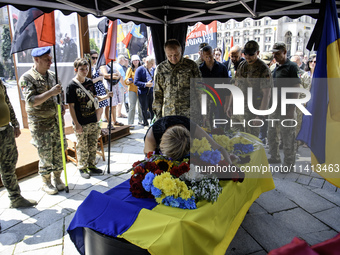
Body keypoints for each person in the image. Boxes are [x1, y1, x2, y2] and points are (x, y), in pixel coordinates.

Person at [20, 46, 66, 195]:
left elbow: (60, 92)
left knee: (59, 152)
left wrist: (62, 103)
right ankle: (46, 182)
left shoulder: (52, 75)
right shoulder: (27, 78)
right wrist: (51, 92)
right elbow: (32, 101)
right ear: (36, 60)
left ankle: (58, 178)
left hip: (56, 121)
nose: (50, 62)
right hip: (41, 125)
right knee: (45, 154)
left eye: (51, 59)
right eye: (47, 60)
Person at [66, 58, 113, 179]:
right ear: (76, 70)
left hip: (92, 119)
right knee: (82, 146)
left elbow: (95, 98)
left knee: (92, 144)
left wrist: (106, 96)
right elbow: (71, 106)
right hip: (80, 121)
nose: (85, 71)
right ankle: (82, 167)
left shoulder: (89, 82)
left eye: (86, 69)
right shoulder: (71, 86)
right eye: (82, 69)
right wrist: (76, 124)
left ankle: (91, 165)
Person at [0, 80, 37, 208]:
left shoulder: (0, 83)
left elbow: (7, 103)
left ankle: (15, 198)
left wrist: (15, 123)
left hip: (6, 131)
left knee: (9, 165)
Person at [227, 40, 272, 137]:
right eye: (245, 53)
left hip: (252, 113)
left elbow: (266, 95)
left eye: (251, 54)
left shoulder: (263, 69)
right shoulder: (242, 65)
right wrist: (230, 105)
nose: (247, 56)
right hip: (237, 110)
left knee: (250, 143)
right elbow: (236, 85)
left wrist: (260, 116)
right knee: (234, 140)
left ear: (258, 53)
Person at [144, 116, 232, 165]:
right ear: (161, 144)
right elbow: (149, 163)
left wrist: (230, 165)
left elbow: (218, 147)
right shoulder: (151, 137)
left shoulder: (192, 127)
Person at [267, 42, 301, 167]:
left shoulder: (292, 66)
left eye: (278, 53)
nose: (275, 56)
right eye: (274, 54)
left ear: (285, 52)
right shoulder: (274, 67)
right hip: (274, 107)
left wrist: (291, 109)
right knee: (271, 133)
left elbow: (296, 88)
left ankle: (288, 163)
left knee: (287, 136)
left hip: (287, 107)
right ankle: (274, 156)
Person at [153, 39, 202, 121]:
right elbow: (158, 94)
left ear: (181, 50)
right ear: (165, 53)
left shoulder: (191, 66)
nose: (173, 58)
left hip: (190, 114)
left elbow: (200, 89)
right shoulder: (161, 69)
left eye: (176, 55)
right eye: (169, 56)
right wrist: (158, 116)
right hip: (169, 114)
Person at [199, 45, 229, 124]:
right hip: (205, 100)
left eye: (210, 56)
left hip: (219, 99)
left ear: (213, 54)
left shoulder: (222, 68)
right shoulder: (199, 70)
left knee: (220, 123)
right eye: (206, 56)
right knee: (206, 124)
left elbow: (227, 86)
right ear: (202, 56)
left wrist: (227, 103)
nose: (208, 59)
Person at [101, 61, 124, 129]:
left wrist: (115, 76)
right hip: (108, 86)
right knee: (108, 105)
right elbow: (105, 75)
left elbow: (119, 74)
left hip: (114, 86)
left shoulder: (112, 64)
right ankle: (109, 123)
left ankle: (115, 120)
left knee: (114, 105)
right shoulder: (103, 65)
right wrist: (115, 76)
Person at [134, 56, 155, 128]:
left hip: (152, 92)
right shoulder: (140, 69)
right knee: (144, 108)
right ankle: (145, 122)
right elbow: (136, 82)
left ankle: (153, 123)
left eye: (153, 63)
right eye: (151, 63)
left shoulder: (153, 70)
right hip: (143, 92)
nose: (152, 65)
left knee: (152, 108)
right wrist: (146, 84)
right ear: (147, 62)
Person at [124, 54, 143, 129]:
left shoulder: (142, 69)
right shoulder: (129, 69)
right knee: (132, 106)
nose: (136, 62)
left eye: (137, 60)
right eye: (135, 60)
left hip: (141, 89)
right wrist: (129, 81)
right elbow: (126, 80)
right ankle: (130, 123)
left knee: (141, 106)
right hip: (132, 89)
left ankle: (141, 120)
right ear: (132, 61)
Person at [90, 50, 107, 121]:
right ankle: (97, 127)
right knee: (97, 111)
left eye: (96, 58)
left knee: (100, 110)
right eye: (93, 58)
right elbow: (88, 81)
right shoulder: (88, 68)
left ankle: (99, 126)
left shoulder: (95, 67)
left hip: (100, 90)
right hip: (94, 91)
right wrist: (99, 78)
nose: (95, 60)